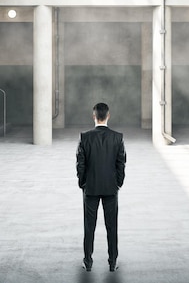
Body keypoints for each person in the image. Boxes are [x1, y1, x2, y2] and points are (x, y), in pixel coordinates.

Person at [76, 102, 126, 272]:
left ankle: (88, 262)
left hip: (90, 188)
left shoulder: (85, 137)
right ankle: (112, 262)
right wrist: (118, 183)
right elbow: (121, 164)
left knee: (89, 226)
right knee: (112, 227)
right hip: (111, 188)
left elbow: (80, 164)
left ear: (94, 116)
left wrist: (83, 183)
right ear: (108, 116)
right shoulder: (117, 137)